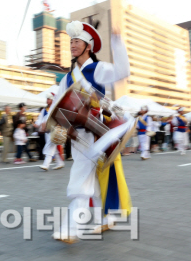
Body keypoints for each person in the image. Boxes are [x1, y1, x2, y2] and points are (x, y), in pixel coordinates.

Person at [47, 21, 132, 243]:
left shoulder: (99, 69)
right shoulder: (67, 78)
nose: (72, 45)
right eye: (71, 41)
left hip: (98, 132)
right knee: (93, 179)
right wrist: (55, 131)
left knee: (81, 178)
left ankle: (70, 228)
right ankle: (109, 216)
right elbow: (58, 107)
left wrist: (117, 41)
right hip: (77, 135)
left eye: (77, 41)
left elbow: (123, 71)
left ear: (88, 47)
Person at [36, 93, 65, 171]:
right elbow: (40, 119)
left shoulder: (55, 108)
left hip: (54, 131)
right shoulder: (44, 110)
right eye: (47, 99)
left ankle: (46, 165)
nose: (47, 101)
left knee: (50, 147)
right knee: (53, 148)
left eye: (48, 99)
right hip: (47, 132)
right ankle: (60, 163)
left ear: (52, 100)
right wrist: (37, 124)